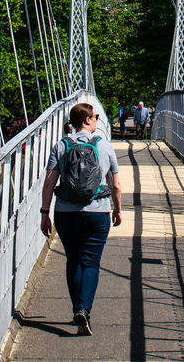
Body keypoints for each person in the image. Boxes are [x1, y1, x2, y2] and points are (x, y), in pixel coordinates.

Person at [40, 103, 122, 336]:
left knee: (73, 261)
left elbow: (49, 182)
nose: (97, 120)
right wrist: (117, 210)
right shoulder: (104, 146)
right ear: (86, 120)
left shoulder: (61, 146)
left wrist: (45, 213)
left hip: (66, 213)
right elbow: (115, 184)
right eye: (95, 117)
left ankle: (78, 308)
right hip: (97, 213)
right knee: (90, 262)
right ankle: (84, 310)